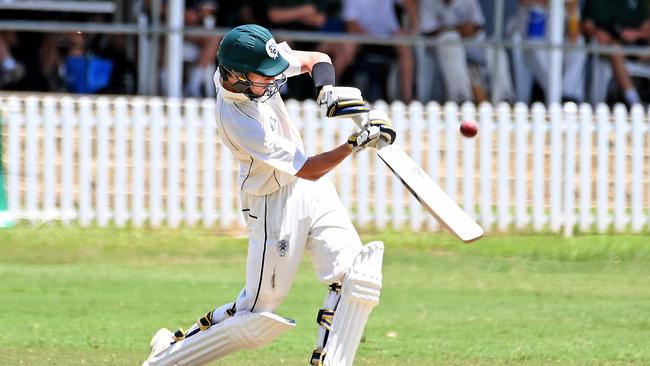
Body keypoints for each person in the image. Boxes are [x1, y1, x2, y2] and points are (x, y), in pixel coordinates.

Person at [142, 24, 397, 366]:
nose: (274, 81)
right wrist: (355, 144)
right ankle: (168, 356)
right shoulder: (237, 119)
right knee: (256, 314)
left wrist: (326, 90)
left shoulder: (258, 67)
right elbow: (308, 167)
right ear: (236, 76)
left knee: (356, 276)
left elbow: (316, 59)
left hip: (312, 191)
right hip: (273, 204)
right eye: (265, 77)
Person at [417, 0, 514, 103]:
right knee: (450, 40)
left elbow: (476, 26)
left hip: (471, 44)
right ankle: (461, 97)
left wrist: (450, 29)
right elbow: (428, 32)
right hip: (441, 48)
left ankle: (504, 98)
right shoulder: (428, 2)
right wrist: (457, 29)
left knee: (496, 49)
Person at [342, 0, 418, 103]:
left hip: (389, 36)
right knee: (348, 47)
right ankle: (328, 92)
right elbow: (351, 25)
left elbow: (409, 2)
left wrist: (412, 29)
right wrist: (371, 37)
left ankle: (407, 99)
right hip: (363, 38)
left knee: (405, 48)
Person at [583, 0, 650, 106]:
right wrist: (596, 32)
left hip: (636, 47)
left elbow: (647, 27)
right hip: (610, 47)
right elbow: (587, 25)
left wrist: (637, 34)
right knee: (615, 48)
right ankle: (634, 101)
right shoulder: (596, 3)